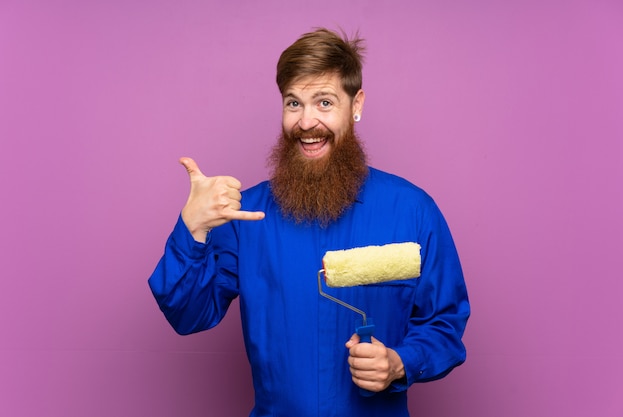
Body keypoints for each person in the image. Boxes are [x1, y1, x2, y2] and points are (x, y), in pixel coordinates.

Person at [148, 27, 470, 417]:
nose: (306, 122)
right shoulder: (246, 216)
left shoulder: (414, 210)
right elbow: (188, 315)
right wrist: (193, 228)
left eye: (324, 102)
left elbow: (445, 322)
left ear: (357, 104)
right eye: (293, 103)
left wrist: (401, 362)